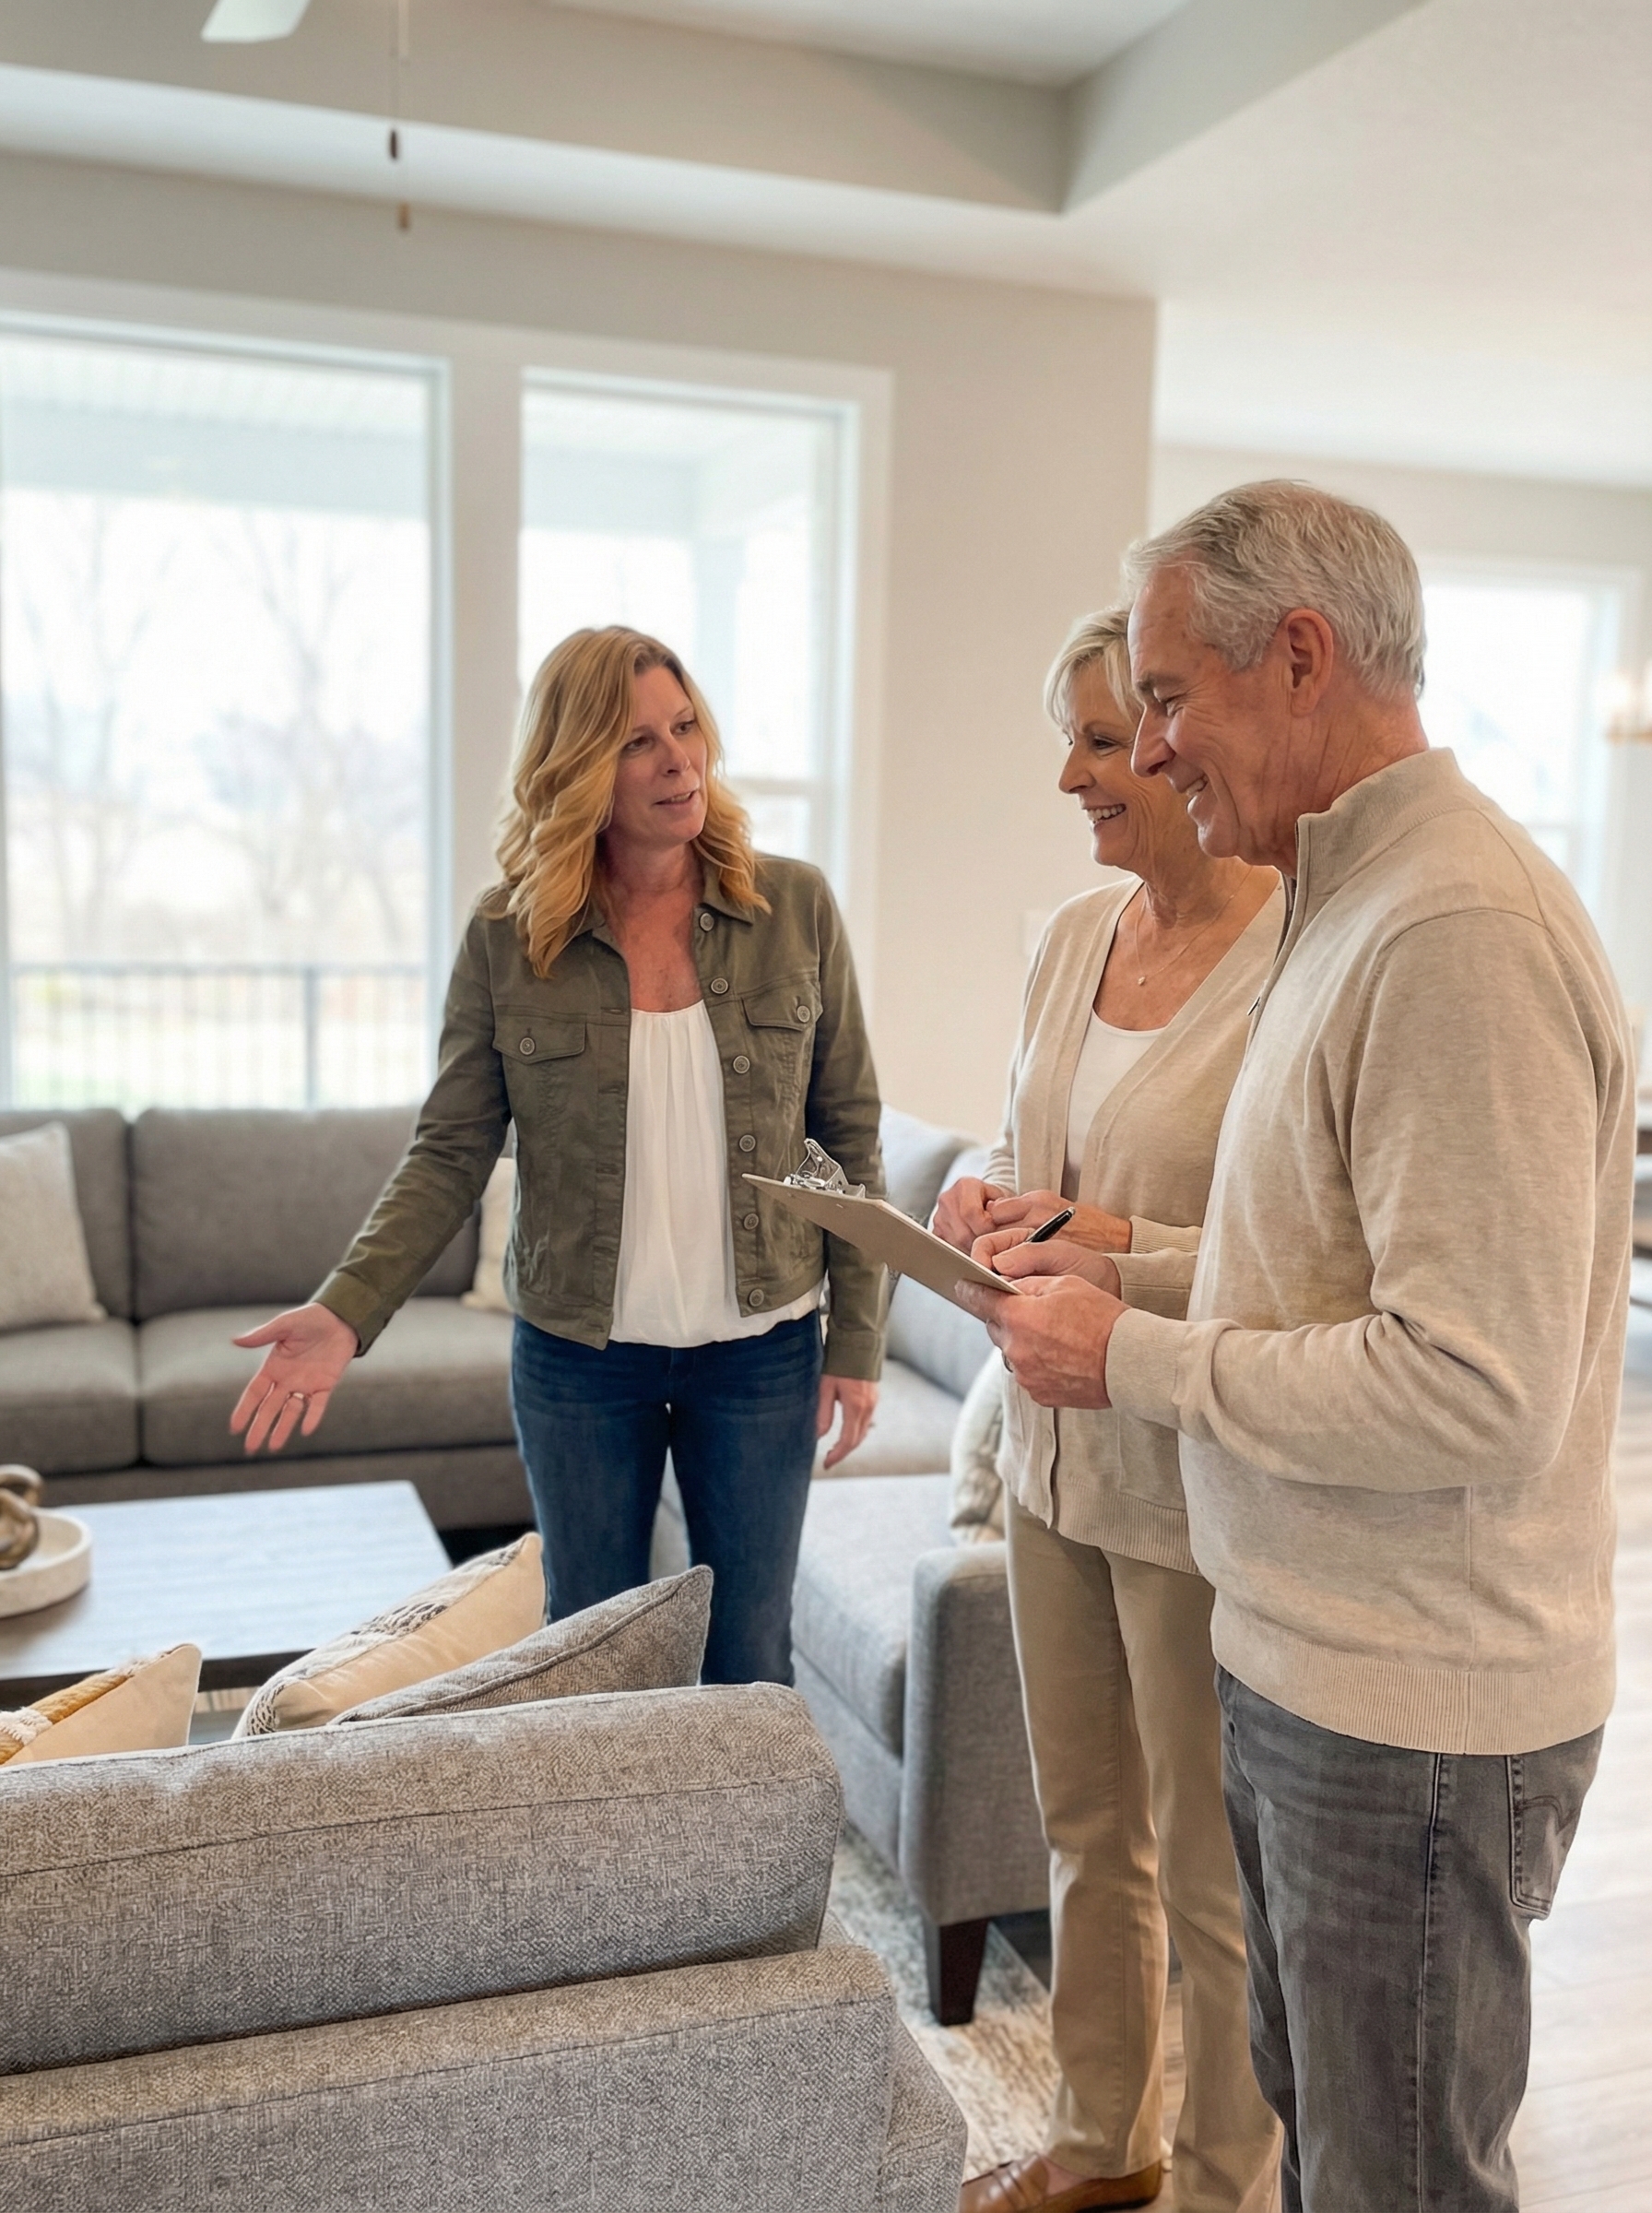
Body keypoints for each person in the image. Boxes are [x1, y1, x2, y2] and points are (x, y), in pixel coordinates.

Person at [961, 482, 1633, 2213]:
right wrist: (1115, 1260)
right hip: (1306, 1667)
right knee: (1327, 2156)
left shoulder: (1451, 932)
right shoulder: (1345, 904)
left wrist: (1132, 1361)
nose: (1153, 747)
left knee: (1391, 2179)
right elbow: (1302, 1273)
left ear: (1304, 660)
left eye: (1167, 698)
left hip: (1407, 1716)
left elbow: (1466, 1386)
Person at [229, 625, 884, 1686]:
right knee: (589, 1659)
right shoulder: (507, 935)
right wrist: (349, 1309)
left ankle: (735, 1860)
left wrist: (856, 1335)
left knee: (749, 1657)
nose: (679, 762)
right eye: (638, 743)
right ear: (578, 770)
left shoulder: (793, 904)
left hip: (762, 1351)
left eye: (685, 729)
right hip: (581, 1361)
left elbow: (848, 1134)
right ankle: (609, 1861)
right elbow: (450, 1151)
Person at [934, 609, 1282, 2213]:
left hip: (1188, 1464)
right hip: (1048, 1449)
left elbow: (1292, 1265)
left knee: (1209, 1877)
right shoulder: (1070, 938)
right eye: (1075, 740)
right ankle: (1101, 2138)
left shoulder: (1297, 953)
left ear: (1167, 740)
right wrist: (976, 1197)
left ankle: (1219, 2180)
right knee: (1085, 1828)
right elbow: (1032, 1161)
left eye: (1099, 738)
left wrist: (1108, 1256)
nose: (1074, 775)